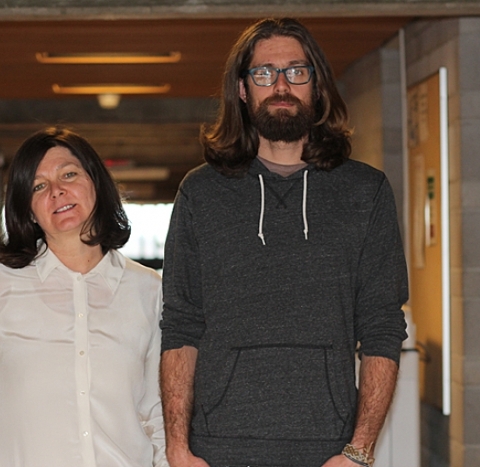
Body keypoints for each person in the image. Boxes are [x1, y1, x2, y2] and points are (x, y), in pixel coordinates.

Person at [160, 18, 408, 467]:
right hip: (218, 448)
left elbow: (382, 327)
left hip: (327, 450)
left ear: (317, 85)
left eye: (296, 72)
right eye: (263, 73)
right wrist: (177, 448)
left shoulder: (365, 192)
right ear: (242, 89)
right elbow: (181, 325)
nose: (280, 85)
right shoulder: (200, 193)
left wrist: (359, 451)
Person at [0, 127, 169, 467]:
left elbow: (157, 410)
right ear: (28, 209)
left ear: (96, 184)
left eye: (68, 175)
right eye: (39, 186)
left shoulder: (147, 289)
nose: (57, 191)